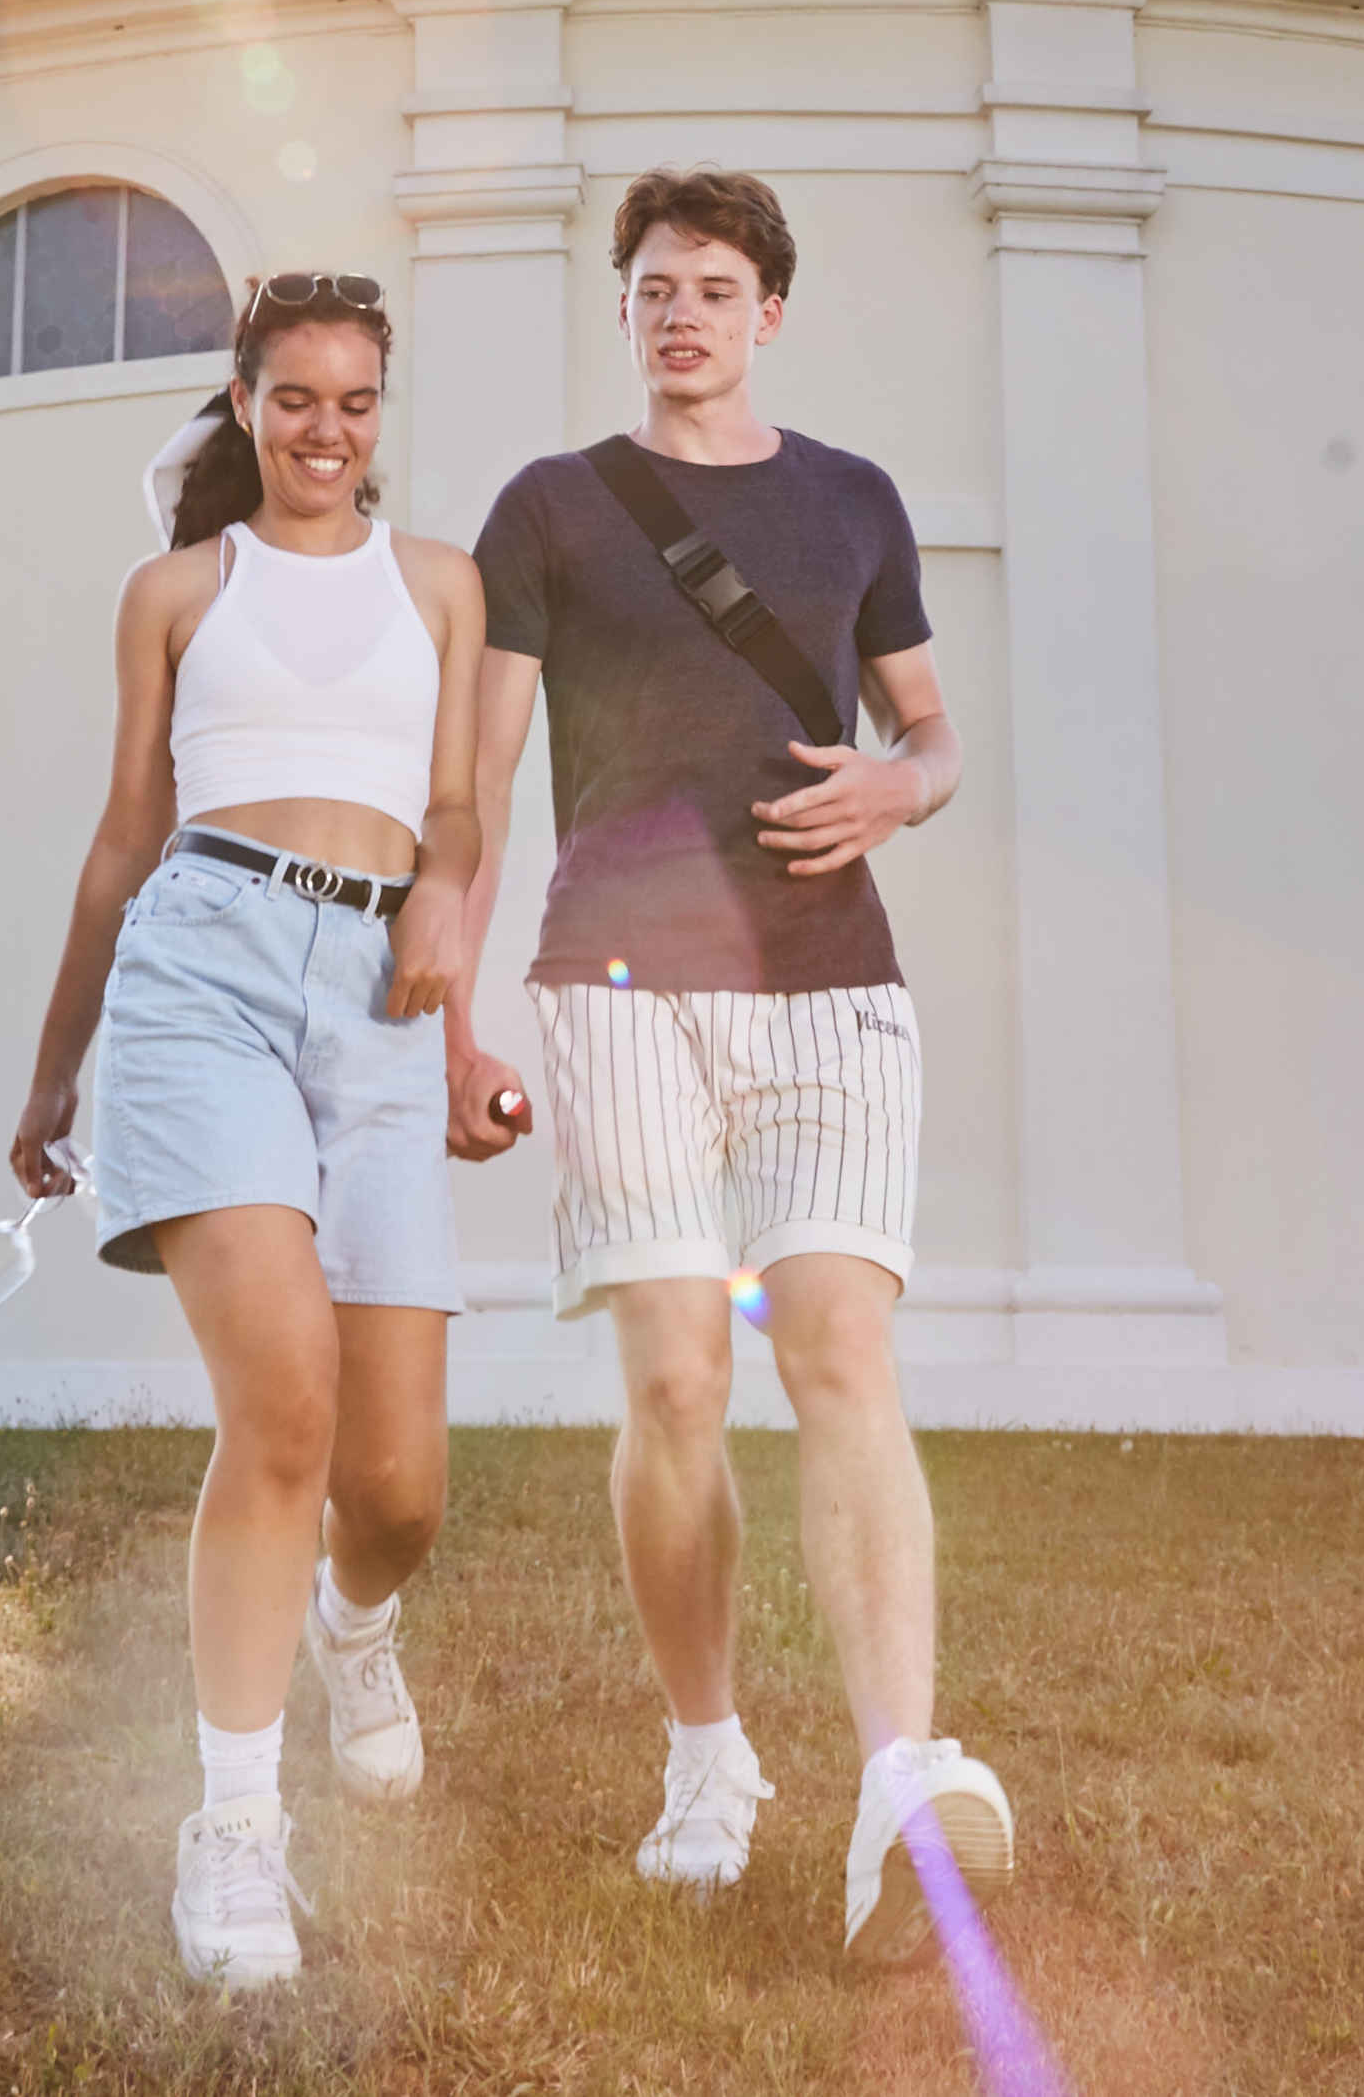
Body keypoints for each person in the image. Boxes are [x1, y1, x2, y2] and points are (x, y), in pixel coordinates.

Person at [436, 166, 1009, 1950]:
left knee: (839, 1345)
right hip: (616, 984)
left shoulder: (853, 504)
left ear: (769, 312)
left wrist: (903, 786)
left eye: (710, 285)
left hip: (831, 980)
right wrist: (450, 1004)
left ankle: (898, 1774)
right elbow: (473, 783)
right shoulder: (546, 509)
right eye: (650, 288)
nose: (677, 311)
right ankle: (709, 1751)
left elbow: (932, 732)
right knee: (679, 1380)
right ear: (625, 315)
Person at [4, 269, 512, 1993]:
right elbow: (121, 832)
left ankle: (351, 1627)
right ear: (241, 401)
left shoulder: (436, 586)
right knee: (281, 1405)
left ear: (383, 413)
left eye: (356, 402)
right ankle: (232, 1832)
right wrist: (55, 1067)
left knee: (398, 1492)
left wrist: (449, 930)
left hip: (376, 997)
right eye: (294, 397)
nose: (325, 430)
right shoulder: (172, 593)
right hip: (198, 971)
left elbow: (453, 807)